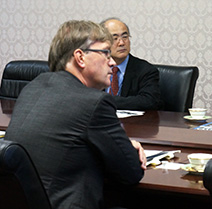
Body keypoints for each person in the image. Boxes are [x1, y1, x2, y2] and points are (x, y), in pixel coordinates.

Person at [5, 20, 146, 209]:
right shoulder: (94, 103)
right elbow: (130, 174)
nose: (112, 62)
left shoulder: (33, 88)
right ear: (80, 57)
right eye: (105, 53)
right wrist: (127, 147)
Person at [100, 17, 162, 110]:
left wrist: (106, 101)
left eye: (125, 37)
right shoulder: (96, 67)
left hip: (132, 123)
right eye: (115, 38)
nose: (121, 43)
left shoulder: (146, 70)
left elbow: (149, 101)